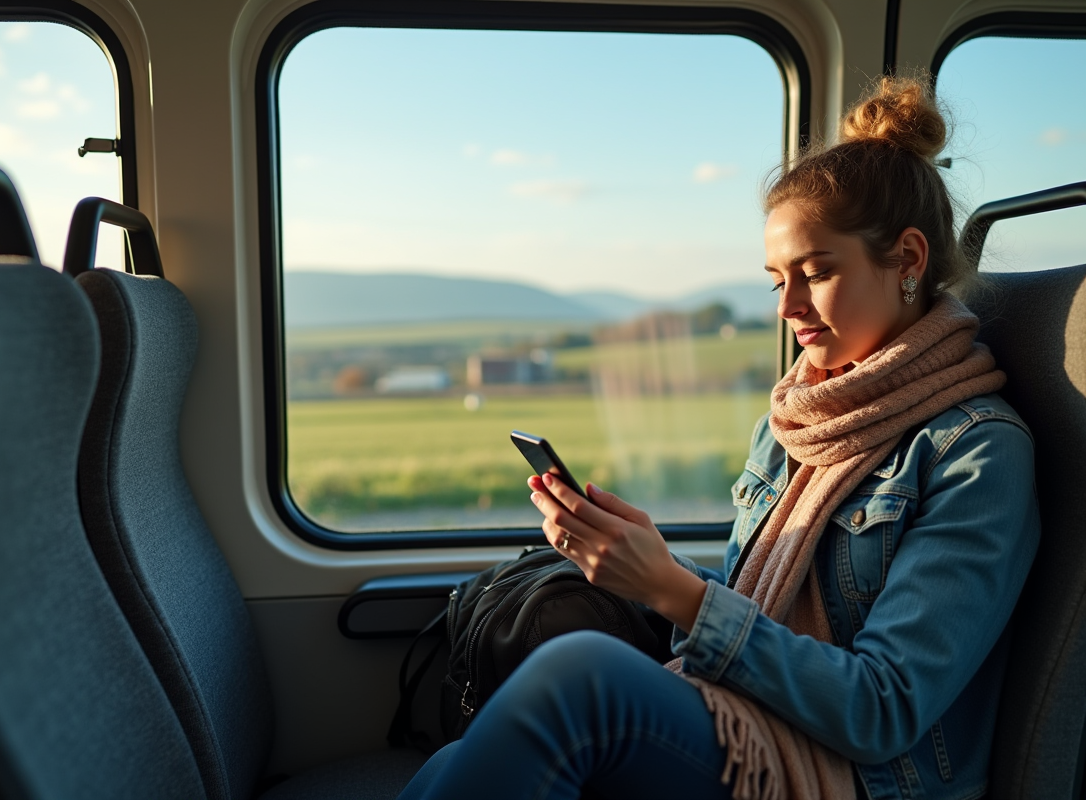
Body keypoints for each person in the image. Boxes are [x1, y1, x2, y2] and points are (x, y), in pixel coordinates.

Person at [396, 74, 1040, 800]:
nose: (789, 306)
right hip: (762, 721)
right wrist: (648, 567)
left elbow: (882, 709)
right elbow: (749, 613)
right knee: (451, 765)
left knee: (578, 680)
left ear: (909, 261)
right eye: (776, 281)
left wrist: (674, 592)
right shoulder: (794, 418)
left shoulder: (978, 453)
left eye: (817, 273)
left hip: (866, 778)